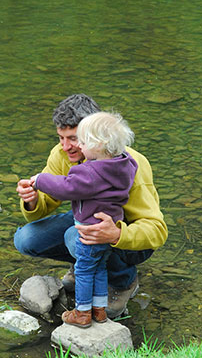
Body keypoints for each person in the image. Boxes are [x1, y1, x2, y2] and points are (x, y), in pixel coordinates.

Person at [15, 94, 168, 319]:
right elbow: (44, 206)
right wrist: (32, 199)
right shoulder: (62, 153)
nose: (66, 147)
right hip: (88, 220)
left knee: (74, 238)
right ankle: (85, 267)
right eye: (60, 138)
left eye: (74, 139)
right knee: (26, 239)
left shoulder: (130, 164)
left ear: (96, 138)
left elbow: (157, 230)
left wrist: (117, 234)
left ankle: (123, 281)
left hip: (127, 233)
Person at [31, 111, 138, 328]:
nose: (78, 146)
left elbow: (65, 187)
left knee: (84, 270)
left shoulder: (90, 172)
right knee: (99, 268)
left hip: (89, 231)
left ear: (100, 145)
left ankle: (82, 312)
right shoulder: (126, 164)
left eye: (83, 141)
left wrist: (40, 180)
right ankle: (99, 310)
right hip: (107, 230)